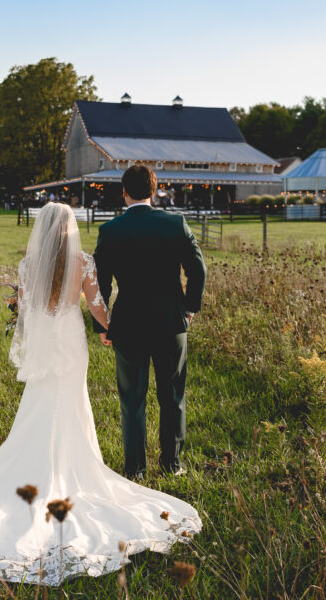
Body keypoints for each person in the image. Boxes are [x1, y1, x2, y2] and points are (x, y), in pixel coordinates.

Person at [0, 202, 201, 585]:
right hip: (70, 343)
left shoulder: (27, 265)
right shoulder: (83, 263)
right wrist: (112, 328)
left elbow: (28, 309)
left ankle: (34, 464)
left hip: (47, 345)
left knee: (42, 405)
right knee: (71, 405)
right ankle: (72, 468)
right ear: (70, 228)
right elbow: (99, 308)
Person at [93, 166, 206, 479]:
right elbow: (198, 270)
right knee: (173, 396)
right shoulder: (175, 224)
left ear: (124, 192)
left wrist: (103, 325)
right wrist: (190, 309)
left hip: (128, 323)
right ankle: (173, 465)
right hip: (171, 321)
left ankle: (135, 470)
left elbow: (99, 283)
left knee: (132, 400)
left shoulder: (110, 230)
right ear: (154, 191)